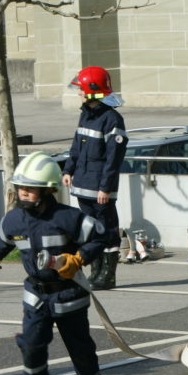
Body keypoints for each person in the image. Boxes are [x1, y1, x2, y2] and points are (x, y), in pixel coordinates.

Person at [0, 152, 110, 375]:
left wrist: (79, 258)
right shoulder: (13, 220)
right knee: (31, 345)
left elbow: (101, 236)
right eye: (20, 188)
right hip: (36, 295)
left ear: (47, 190)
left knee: (81, 351)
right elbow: (4, 240)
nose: (23, 194)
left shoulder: (69, 218)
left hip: (69, 294)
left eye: (30, 189)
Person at [61, 65, 128, 291]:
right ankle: (96, 271)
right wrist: (68, 170)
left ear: (92, 90)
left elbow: (113, 159)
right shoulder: (86, 115)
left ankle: (107, 275)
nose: (78, 92)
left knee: (107, 230)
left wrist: (105, 188)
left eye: (81, 89)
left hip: (100, 189)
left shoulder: (112, 119)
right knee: (90, 230)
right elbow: (76, 147)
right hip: (83, 186)